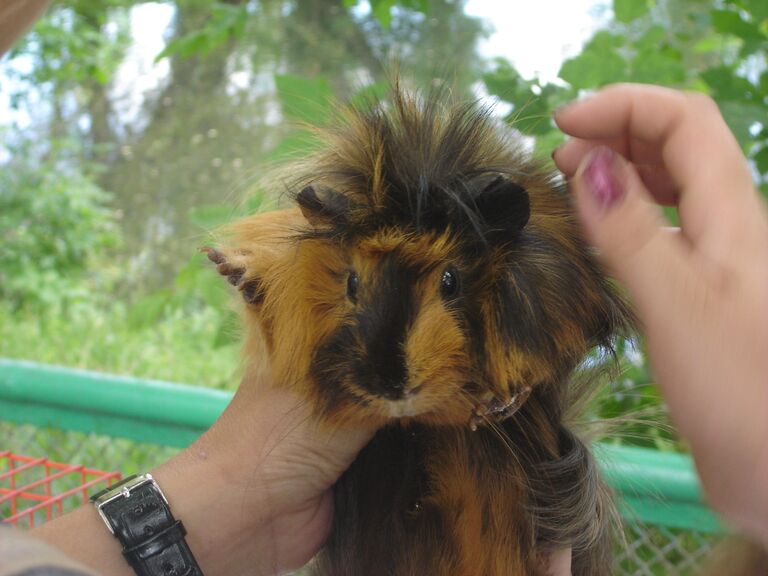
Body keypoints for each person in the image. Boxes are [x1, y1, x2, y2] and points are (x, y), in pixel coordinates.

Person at [1, 5, 767, 576]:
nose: (397, 365)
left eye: (447, 280)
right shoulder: (309, 274)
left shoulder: (535, 300)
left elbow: (582, 313)